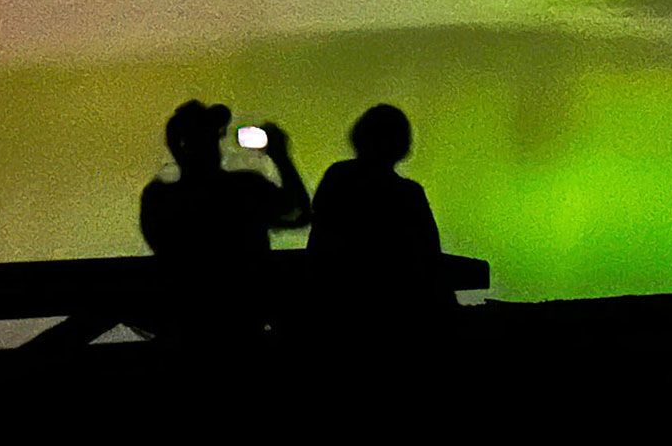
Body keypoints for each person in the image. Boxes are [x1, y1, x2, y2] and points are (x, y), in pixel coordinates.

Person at [137, 100, 309, 341]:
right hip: (243, 324)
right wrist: (281, 156)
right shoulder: (244, 188)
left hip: (186, 326)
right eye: (211, 138)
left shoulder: (158, 198)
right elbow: (299, 213)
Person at [307, 103, 450, 325]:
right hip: (396, 307)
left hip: (335, 303)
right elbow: (430, 254)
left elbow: (320, 236)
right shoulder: (410, 193)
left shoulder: (338, 176)